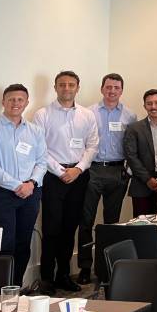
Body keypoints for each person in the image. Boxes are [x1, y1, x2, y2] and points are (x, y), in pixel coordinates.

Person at [33, 70, 99, 295]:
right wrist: (62, 171)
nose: (67, 88)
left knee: (70, 227)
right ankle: (46, 279)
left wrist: (78, 169)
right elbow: (40, 148)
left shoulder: (87, 115)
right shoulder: (43, 115)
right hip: (53, 176)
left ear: (77, 88)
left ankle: (63, 276)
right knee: (51, 229)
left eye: (71, 85)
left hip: (79, 177)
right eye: (62, 85)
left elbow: (92, 146)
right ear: (55, 88)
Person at [0, 84, 46, 286]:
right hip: (1, 194)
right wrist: (19, 185)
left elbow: (42, 162)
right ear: (3, 102)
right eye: (11, 99)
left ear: (27, 103)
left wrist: (31, 183)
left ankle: (14, 289)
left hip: (31, 194)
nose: (16, 103)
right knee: (3, 244)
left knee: (23, 243)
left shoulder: (35, 131)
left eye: (20, 100)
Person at [78, 73, 136, 284]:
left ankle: (106, 267)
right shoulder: (88, 113)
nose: (112, 91)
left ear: (122, 91)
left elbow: (131, 146)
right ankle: (85, 267)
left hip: (117, 172)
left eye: (116, 88)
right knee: (86, 221)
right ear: (102, 89)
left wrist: (128, 170)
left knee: (112, 223)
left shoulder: (130, 115)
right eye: (108, 87)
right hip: (92, 171)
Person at [123, 89, 157, 217]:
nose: (153, 107)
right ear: (144, 106)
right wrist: (148, 179)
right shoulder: (134, 128)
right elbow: (131, 157)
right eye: (149, 103)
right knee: (141, 227)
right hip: (141, 185)